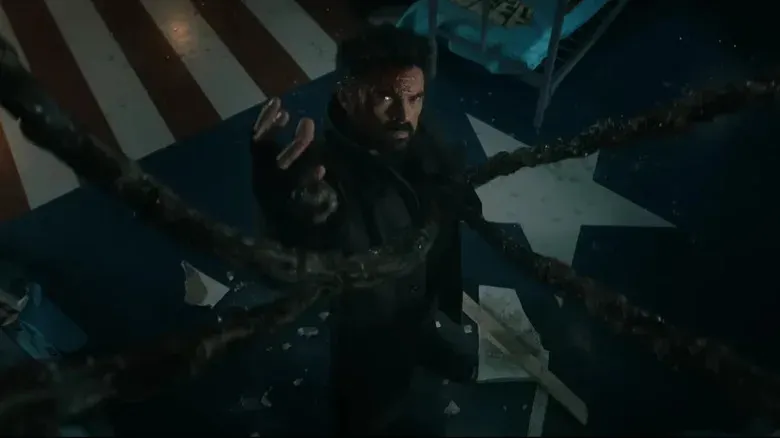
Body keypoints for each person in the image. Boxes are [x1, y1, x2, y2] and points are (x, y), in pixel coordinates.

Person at [250, 24, 482, 435]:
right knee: (366, 406)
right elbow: (288, 258)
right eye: (385, 97)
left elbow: (453, 190)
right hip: (370, 325)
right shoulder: (324, 172)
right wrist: (282, 201)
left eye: (415, 98)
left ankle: (422, 341)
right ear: (346, 94)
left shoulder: (419, 136)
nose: (403, 115)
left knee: (421, 323)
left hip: (423, 294)